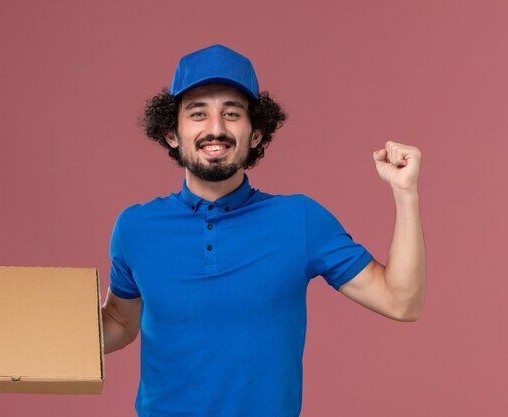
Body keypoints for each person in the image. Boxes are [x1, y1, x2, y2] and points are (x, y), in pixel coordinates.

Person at [101, 44, 425, 417]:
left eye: (232, 113)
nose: (216, 128)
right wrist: (42, 334)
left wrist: (406, 194)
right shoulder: (135, 227)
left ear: (256, 134)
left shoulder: (300, 219)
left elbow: (402, 302)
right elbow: (119, 323)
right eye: (198, 113)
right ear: (171, 133)